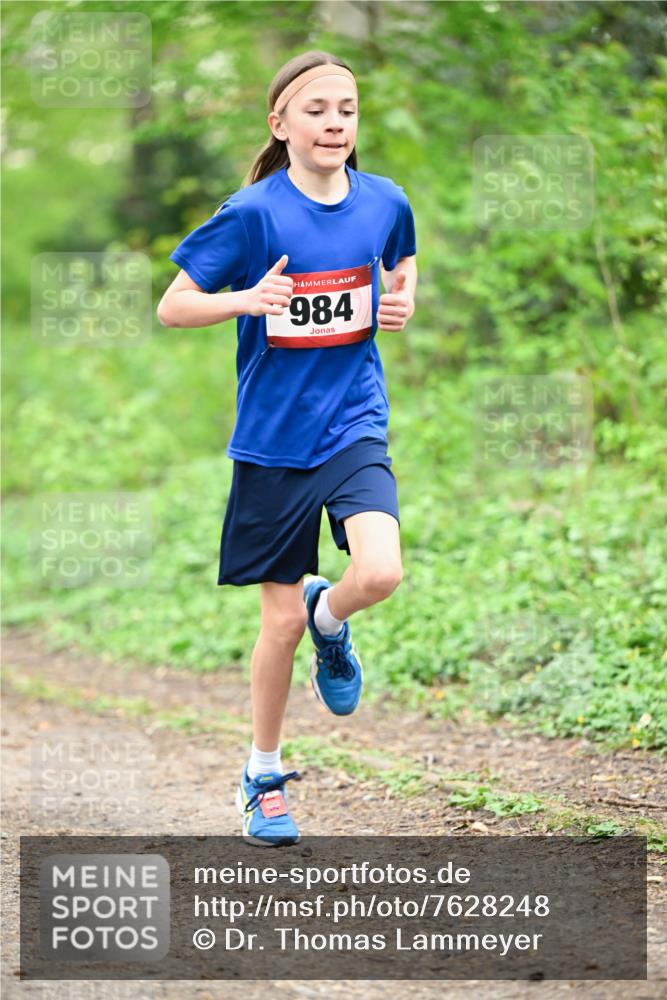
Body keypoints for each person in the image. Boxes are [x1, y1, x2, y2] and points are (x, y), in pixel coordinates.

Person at [158, 49, 417, 848]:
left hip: (351, 422)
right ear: (281, 124)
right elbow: (174, 305)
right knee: (275, 628)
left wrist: (401, 299)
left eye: (346, 109)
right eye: (316, 110)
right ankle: (262, 772)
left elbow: (399, 261)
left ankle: (329, 618)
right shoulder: (254, 212)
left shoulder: (384, 201)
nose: (334, 122)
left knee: (379, 570)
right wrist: (246, 297)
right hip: (272, 445)